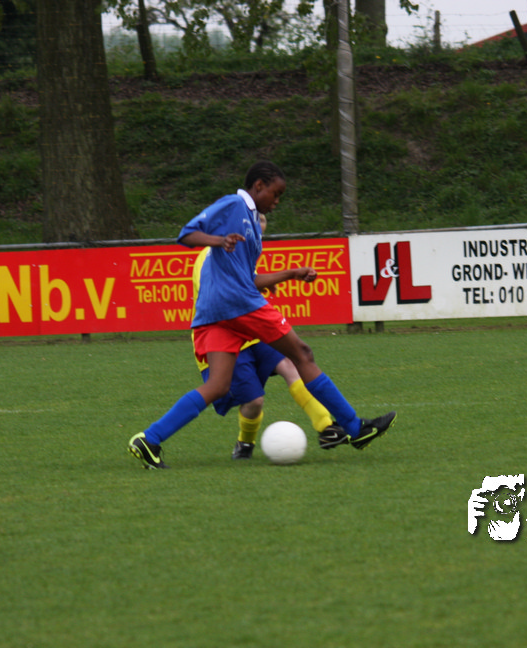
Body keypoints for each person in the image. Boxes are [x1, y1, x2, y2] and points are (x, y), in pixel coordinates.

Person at [128, 161, 396, 469]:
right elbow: (187, 234)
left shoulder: (253, 225)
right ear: (258, 186)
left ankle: (149, 439)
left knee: (218, 385)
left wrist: (291, 273)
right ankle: (355, 428)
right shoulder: (233, 205)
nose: (277, 201)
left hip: (216, 313)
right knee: (302, 354)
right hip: (237, 304)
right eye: (275, 193)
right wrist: (219, 240)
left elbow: (248, 278)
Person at [191, 234, 346, 459]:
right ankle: (245, 442)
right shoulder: (208, 258)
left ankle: (326, 427)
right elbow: (228, 291)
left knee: (290, 364)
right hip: (226, 335)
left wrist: (266, 282)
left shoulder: (240, 252)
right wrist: (281, 277)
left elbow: (248, 280)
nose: (255, 231)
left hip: (253, 330)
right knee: (254, 401)